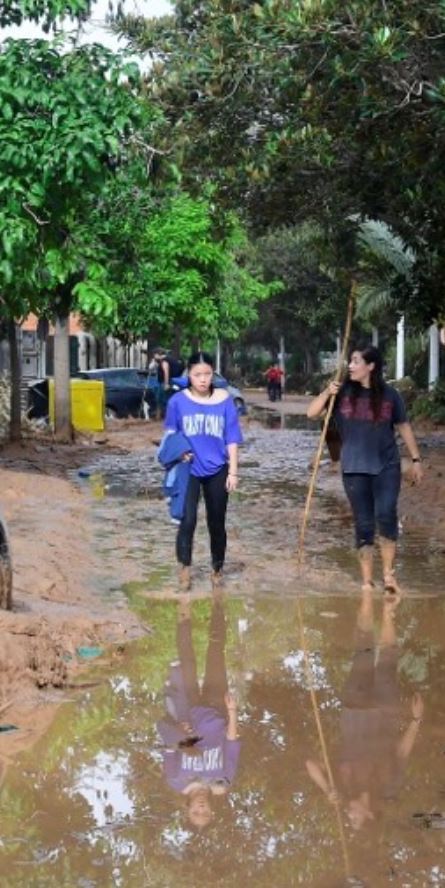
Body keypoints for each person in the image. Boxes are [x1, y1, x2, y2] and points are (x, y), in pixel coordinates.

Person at [307, 344, 423, 593]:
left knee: (386, 515)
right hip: (354, 469)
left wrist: (416, 460)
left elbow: (403, 427)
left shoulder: (391, 396)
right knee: (364, 524)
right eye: (350, 361)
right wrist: (327, 393)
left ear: (371, 366)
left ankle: (389, 576)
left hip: (387, 466)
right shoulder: (341, 392)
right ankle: (367, 582)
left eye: (356, 361)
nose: (350, 365)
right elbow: (312, 413)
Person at [306, 588, 422, 830]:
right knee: (388, 661)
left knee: (362, 653)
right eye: (354, 818)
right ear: (369, 814)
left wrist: (328, 789)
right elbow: (401, 753)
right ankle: (388, 611)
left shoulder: (342, 788)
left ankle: (368, 597)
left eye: (348, 819)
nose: (349, 814)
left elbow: (310, 764)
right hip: (385, 711)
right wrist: (416, 721)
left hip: (354, 710)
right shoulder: (389, 786)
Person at [158, 592, 240, 830]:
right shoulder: (224, 781)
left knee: (187, 657)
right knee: (216, 652)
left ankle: (184, 604)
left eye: (196, 812)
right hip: (217, 709)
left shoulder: (174, 780)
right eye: (205, 813)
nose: (201, 808)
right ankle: (217, 602)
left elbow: (167, 742)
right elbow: (232, 742)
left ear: (188, 808)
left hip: (187, 707)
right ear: (212, 811)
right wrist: (232, 711)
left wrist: (179, 733)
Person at [163, 352, 242, 590]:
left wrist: (233, 472)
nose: (203, 379)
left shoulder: (225, 400)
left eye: (208, 374)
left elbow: (232, 438)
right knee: (187, 521)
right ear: (189, 374)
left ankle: (217, 570)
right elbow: (170, 435)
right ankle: (185, 571)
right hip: (188, 469)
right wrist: (179, 452)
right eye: (198, 374)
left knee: (216, 524)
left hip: (218, 469)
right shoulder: (177, 402)